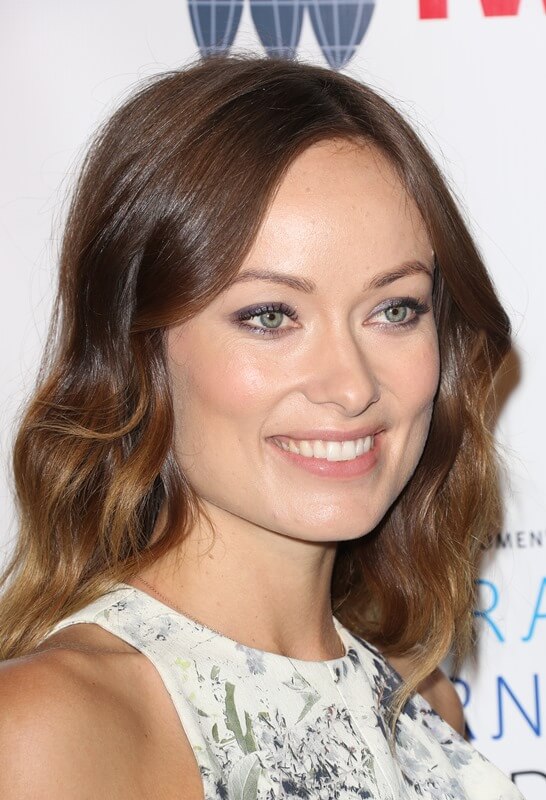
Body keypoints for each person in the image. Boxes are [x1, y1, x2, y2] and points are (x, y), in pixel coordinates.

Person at [0, 53, 524, 799]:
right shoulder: (51, 729)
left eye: (394, 309)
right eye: (271, 316)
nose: (352, 387)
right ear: (137, 351)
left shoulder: (421, 708)